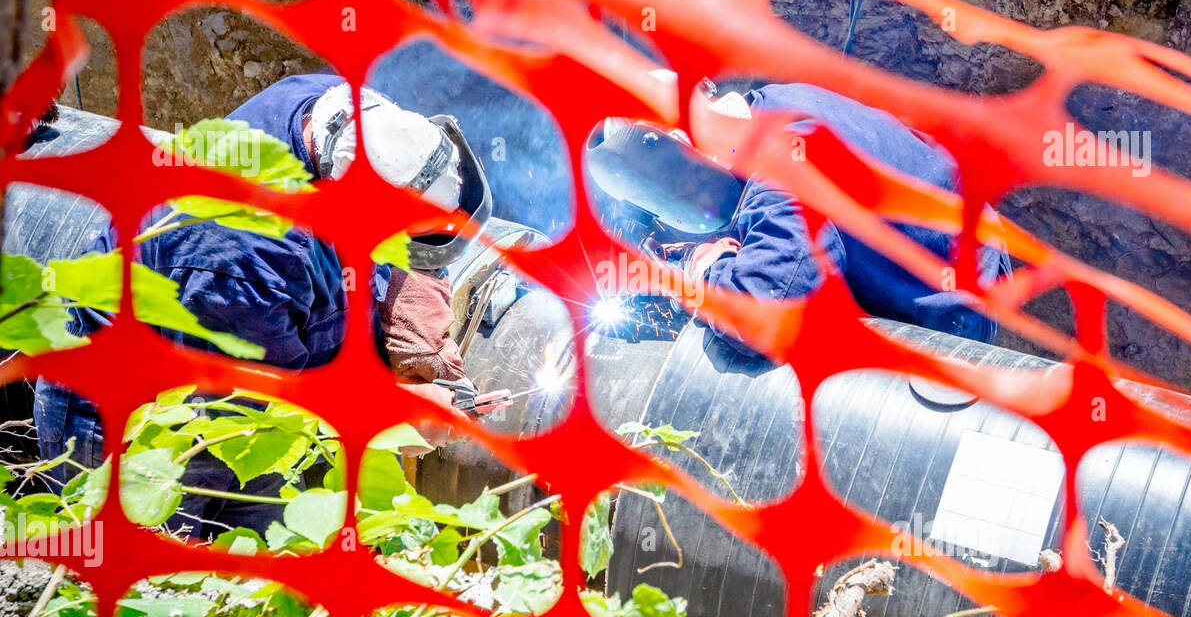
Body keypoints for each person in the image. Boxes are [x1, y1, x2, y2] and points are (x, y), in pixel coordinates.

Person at [31, 74, 501, 539]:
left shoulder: (343, 113)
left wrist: (412, 304)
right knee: (176, 584)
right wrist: (398, 417)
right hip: (144, 430)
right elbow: (268, 414)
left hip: (246, 363)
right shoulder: (247, 264)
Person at [585, 80, 1010, 355]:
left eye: (690, 195)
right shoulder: (771, 107)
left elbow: (767, 308)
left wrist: (702, 271)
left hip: (951, 306)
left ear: (690, 148)